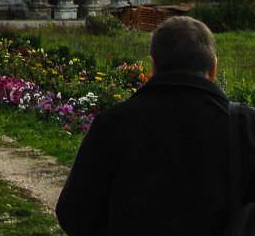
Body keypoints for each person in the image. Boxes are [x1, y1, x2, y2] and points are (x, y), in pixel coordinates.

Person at [56, 15, 255, 236]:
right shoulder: (245, 126)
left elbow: (72, 212)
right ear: (214, 68)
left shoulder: (113, 123)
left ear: (153, 66)